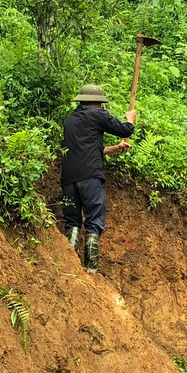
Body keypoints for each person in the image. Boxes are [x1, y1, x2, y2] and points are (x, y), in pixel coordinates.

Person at [60, 84, 136, 273]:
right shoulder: (98, 115)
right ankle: (90, 268)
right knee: (94, 218)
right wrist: (130, 120)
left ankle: (69, 265)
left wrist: (115, 149)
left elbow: (87, 150)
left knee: (72, 221)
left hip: (69, 179)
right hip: (91, 177)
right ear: (97, 103)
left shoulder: (69, 121)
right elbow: (125, 130)